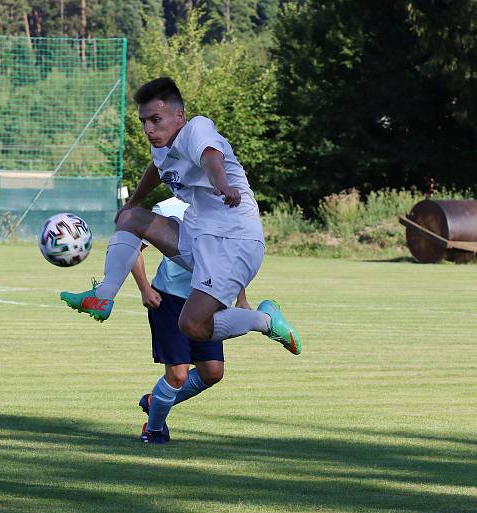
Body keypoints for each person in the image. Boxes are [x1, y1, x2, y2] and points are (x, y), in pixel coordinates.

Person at [60, 76, 301, 387]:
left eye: (155, 120)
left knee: (192, 325)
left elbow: (211, 156)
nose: (148, 129)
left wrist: (222, 183)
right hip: (199, 237)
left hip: (235, 241)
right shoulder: (162, 148)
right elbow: (156, 169)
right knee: (131, 218)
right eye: (144, 121)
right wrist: (133, 201)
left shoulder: (197, 129)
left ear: (179, 116)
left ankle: (266, 320)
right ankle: (103, 297)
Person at [131, 197, 251, 444]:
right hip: (170, 300)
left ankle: (155, 401)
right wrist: (144, 288)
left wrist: (241, 298)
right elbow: (132, 249)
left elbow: (234, 257)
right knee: (177, 375)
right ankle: (153, 429)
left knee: (213, 372)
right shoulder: (166, 208)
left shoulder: (225, 206)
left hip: (209, 299)